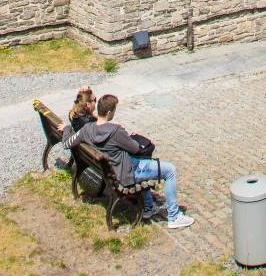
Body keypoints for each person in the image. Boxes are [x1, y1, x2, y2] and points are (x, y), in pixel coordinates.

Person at [55, 93, 194, 229]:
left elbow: (66, 143)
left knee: (149, 162)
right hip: (127, 172)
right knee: (170, 170)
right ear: (109, 112)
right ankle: (174, 217)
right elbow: (135, 148)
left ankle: (148, 208)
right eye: (114, 110)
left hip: (112, 171)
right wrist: (126, 135)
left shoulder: (87, 129)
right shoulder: (115, 131)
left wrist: (67, 128)